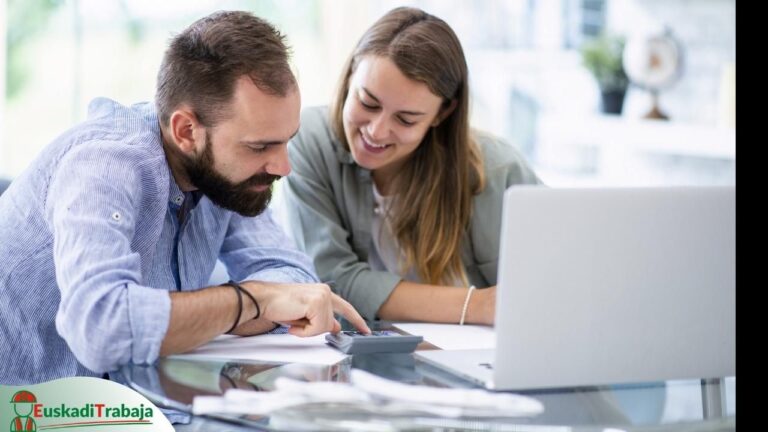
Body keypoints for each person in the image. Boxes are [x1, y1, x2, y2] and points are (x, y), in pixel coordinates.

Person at [0, 10, 369, 386]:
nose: (283, 166)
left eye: (286, 140)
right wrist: (251, 301)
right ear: (186, 130)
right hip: (34, 409)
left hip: (139, 403)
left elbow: (291, 280)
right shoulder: (104, 165)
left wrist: (244, 305)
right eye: (260, 146)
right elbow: (101, 329)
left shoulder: (229, 174)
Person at [284, 7, 541, 325]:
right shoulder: (308, 139)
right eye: (367, 102)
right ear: (350, 75)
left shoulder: (499, 170)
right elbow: (330, 283)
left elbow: (546, 287)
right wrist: (479, 306)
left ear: (442, 114)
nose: (376, 131)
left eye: (406, 119)